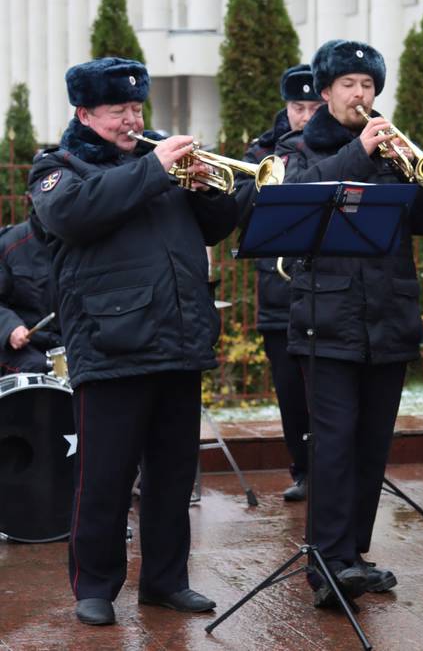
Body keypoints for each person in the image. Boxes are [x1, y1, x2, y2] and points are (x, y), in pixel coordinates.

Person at [27, 57, 239, 625]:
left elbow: (214, 228)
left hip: (178, 337)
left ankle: (166, 581)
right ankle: (94, 586)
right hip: (110, 342)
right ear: (85, 112)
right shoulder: (59, 166)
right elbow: (72, 216)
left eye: (136, 107)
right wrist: (156, 173)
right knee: (105, 476)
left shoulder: (158, 159)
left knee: (172, 475)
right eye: (118, 110)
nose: (130, 119)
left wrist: (208, 192)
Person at [274, 39, 423, 607]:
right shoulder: (298, 147)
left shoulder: (396, 147)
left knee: (372, 445)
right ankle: (325, 563)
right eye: (349, 85)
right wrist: (360, 153)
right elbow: (299, 200)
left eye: (368, 86)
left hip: (388, 316)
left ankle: (352, 555)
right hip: (324, 321)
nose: (360, 94)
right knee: (332, 444)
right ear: (325, 91)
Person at [235, 64, 324, 502]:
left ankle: (332, 470)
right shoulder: (262, 151)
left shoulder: (339, 147)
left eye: (313, 107)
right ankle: (302, 468)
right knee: (290, 392)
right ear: (285, 108)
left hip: (327, 291)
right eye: (297, 107)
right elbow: (236, 211)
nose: (305, 116)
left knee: (325, 390)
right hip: (279, 291)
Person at [0, 207, 61, 375]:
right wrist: (10, 327)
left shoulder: (82, 242)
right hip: (26, 346)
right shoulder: (9, 245)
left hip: (72, 342)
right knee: (36, 367)